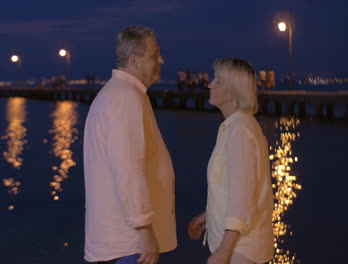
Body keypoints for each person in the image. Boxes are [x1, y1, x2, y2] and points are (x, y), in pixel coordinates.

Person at [83, 26, 177, 264]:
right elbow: (128, 169)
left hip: (119, 241)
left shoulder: (118, 94)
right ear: (134, 60)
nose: (161, 60)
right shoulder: (126, 98)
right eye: (154, 55)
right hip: (129, 244)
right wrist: (144, 229)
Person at [188, 58, 274, 264]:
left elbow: (241, 196)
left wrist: (224, 251)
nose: (210, 85)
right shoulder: (236, 127)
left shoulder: (239, 132)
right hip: (239, 247)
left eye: (218, 81)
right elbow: (235, 188)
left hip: (240, 250)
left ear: (235, 90)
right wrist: (206, 216)